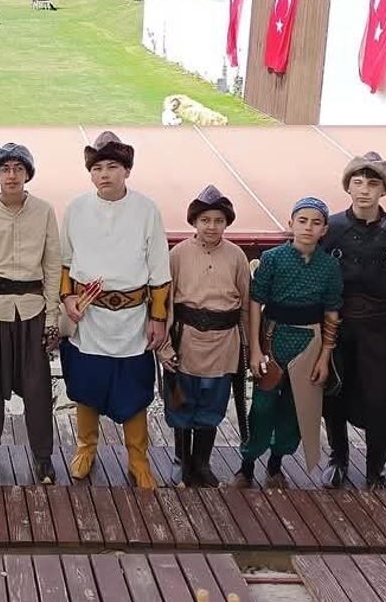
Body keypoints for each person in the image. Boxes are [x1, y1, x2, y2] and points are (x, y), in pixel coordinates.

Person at [60, 132, 170, 489]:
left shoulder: (146, 210)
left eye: (112, 167)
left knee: (134, 389)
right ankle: (85, 448)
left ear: (126, 171)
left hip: (132, 320)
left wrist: (158, 318)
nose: (104, 174)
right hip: (89, 318)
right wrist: (68, 299)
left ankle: (138, 459)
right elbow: (65, 262)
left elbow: (159, 270)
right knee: (86, 384)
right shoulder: (76, 209)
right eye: (97, 168)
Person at [319, 152, 386, 490]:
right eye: (358, 182)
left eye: (373, 183)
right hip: (337, 326)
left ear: (384, 190)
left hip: (381, 329)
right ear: (347, 186)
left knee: (380, 399)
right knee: (333, 392)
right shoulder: (328, 230)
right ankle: (338, 458)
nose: (364, 189)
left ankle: (376, 468)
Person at [0, 142, 61, 485]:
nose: (11, 175)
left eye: (18, 169)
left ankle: (43, 457)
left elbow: (52, 265)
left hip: (33, 312)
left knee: (38, 390)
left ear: (27, 174)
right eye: (5, 169)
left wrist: (52, 319)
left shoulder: (44, 211)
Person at [232, 197, 342, 489]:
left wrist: (324, 357)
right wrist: (255, 349)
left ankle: (276, 463)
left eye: (315, 223)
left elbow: (332, 312)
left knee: (295, 410)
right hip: (273, 339)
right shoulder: (272, 258)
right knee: (262, 406)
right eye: (302, 221)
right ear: (291, 223)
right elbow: (256, 302)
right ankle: (246, 465)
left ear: (324, 229)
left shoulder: (329, 266)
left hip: (310, 344)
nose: (308, 227)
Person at [159, 185, 250, 488]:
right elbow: (165, 303)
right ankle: (181, 461)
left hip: (223, 344)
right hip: (186, 340)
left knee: (212, 405)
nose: (212, 226)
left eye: (218, 220)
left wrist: (248, 349)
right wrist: (164, 346)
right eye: (205, 220)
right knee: (181, 403)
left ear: (226, 223)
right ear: (195, 222)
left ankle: (202, 463)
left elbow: (246, 306)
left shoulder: (237, 257)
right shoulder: (178, 254)